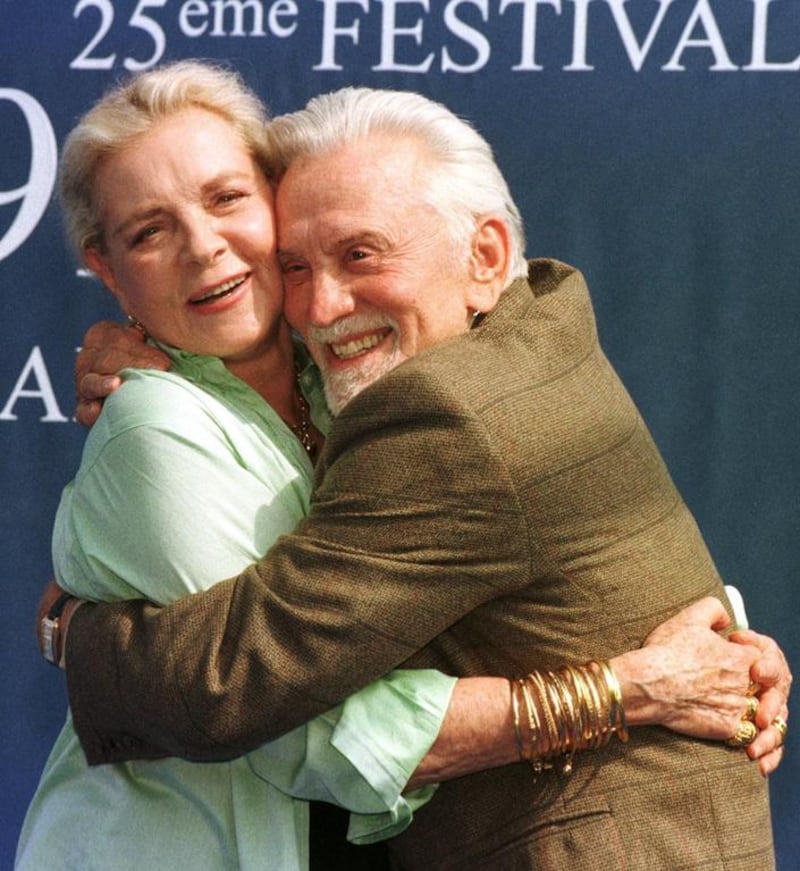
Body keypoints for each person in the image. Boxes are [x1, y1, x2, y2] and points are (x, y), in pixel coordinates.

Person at [43, 85, 790, 868]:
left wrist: (78, 633)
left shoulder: (437, 410)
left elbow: (232, 683)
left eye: (361, 254)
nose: (325, 305)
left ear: (487, 255)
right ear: (107, 263)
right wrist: (637, 679)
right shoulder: (523, 328)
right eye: (297, 264)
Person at [16, 62, 528, 871]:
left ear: (279, 200)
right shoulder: (155, 426)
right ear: (108, 271)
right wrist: (605, 697)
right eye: (150, 232)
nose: (203, 245)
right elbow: (309, 731)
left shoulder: (351, 370)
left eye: (227, 198)